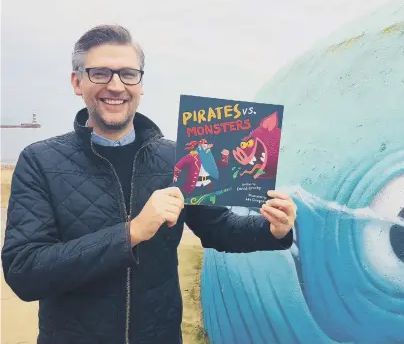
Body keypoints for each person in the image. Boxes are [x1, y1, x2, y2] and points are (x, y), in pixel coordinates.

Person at [1, 24, 297, 344]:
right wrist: (132, 232)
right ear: (77, 81)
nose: (116, 85)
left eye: (128, 74)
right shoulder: (39, 161)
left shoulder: (179, 157)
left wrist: (273, 229)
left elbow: (219, 228)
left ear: (140, 84)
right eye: (100, 73)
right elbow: (24, 271)